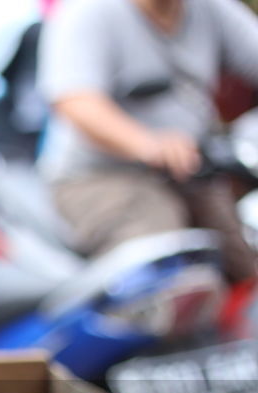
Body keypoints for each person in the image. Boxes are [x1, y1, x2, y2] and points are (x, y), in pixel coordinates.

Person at [38, 0, 258, 284]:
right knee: (168, 279)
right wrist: (150, 144)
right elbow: (76, 101)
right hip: (101, 178)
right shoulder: (89, 12)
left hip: (193, 170)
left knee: (242, 267)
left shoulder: (210, 9)